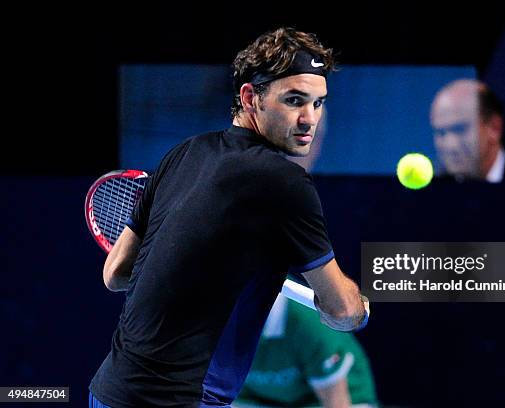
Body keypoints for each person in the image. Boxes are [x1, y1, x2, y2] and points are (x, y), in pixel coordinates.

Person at [89, 27, 369, 408]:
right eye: (294, 100)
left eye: (318, 103)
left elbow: (116, 273)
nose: (309, 119)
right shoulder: (285, 182)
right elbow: (342, 311)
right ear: (250, 97)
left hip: (109, 392)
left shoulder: (184, 153)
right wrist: (359, 308)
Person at [235, 295, 378, 408]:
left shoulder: (310, 322)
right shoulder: (220, 311)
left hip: (334, 401)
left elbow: (337, 403)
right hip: (257, 400)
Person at [430, 79, 505, 183]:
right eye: (441, 133)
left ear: (494, 128)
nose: (451, 145)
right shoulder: (433, 192)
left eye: (460, 129)